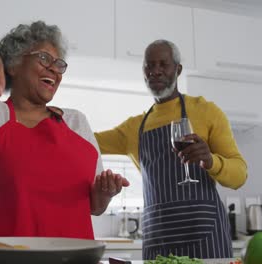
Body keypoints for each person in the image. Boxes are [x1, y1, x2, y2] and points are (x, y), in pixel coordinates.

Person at [0, 21, 129, 239]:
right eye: (44, 58)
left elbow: (95, 207)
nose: (54, 69)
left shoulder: (77, 123)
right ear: (14, 65)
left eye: (59, 64)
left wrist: (105, 193)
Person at [94, 39, 247, 259]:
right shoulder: (133, 127)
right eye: (149, 65)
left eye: (163, 64)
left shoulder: (206, 111)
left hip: (204, 237)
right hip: (158, 239)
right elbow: (87, 141)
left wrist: (212, 161)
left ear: (178, 69)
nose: (155, 71)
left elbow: (240, 174)